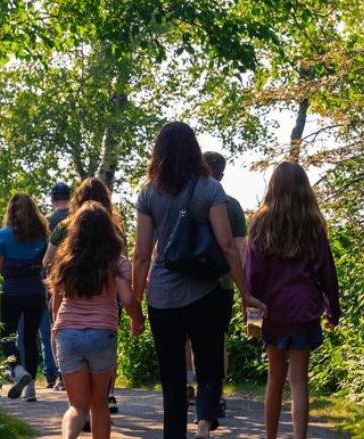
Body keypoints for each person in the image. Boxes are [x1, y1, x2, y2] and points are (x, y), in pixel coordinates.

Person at [132, 121, 265, 439]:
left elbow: (140, 254)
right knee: (209, 365)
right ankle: (204, 424)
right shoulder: (210, 188)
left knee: (172, 376)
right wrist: (245, 292)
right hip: (206, 293)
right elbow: (228, 246)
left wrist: (135, 303)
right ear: (194, 150)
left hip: (162, 297)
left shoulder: (149, 193)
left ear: (158, 152)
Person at [245, 162, 341, 439]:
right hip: (303, 308)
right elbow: (327, 270)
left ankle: (271, 436)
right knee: (299, 380)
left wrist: (252, 312)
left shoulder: (261, 222)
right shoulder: (313, 224)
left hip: (272, 309)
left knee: (274, 379)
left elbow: (254, 273)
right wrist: (333, 308)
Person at [48, 202, 144, 439]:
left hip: (68, 334)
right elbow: (128, 298)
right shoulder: (116, 261)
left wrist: (55, 330)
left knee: (77, 406)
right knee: (99, 402)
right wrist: (138, 320)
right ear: (108, 230)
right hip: (101, 334)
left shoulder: (66, 260)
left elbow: (56, 302)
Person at [44, 178, 125, 413]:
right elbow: (122, 257)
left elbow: (46, 260)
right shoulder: (114, 226)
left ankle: (69, 384)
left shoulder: (65, 226)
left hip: (71, 291)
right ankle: (108, 392)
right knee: (107, 336)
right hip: (107, 291)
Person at [184, 151, 247, 418]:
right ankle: (216, 395)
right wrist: (245, 289)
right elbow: (240, 252)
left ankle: (187, 386)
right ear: (221, 174)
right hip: (221, 284)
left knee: (185, 338)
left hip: (186, 282)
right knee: (216, 341)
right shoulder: (232, 206)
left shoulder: (184, 200)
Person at [16, 182, 71, 390]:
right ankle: (66, 373)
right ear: (69, 197)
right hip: (78, 278)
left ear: (52, 198)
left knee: (53, 328)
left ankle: (54, 374)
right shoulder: (79, 219)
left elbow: (42, 256)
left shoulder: (46, 223)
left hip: (52, 281)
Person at [0, 193, 50, 402]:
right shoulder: (42, 235)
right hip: (35, 292)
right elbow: (45, 263)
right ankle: (31, 391)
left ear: (11, 211)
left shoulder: (3, 235)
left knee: (6, 336)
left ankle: (17, 370)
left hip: (11, 292)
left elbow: (0, 267)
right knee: (30, 339)